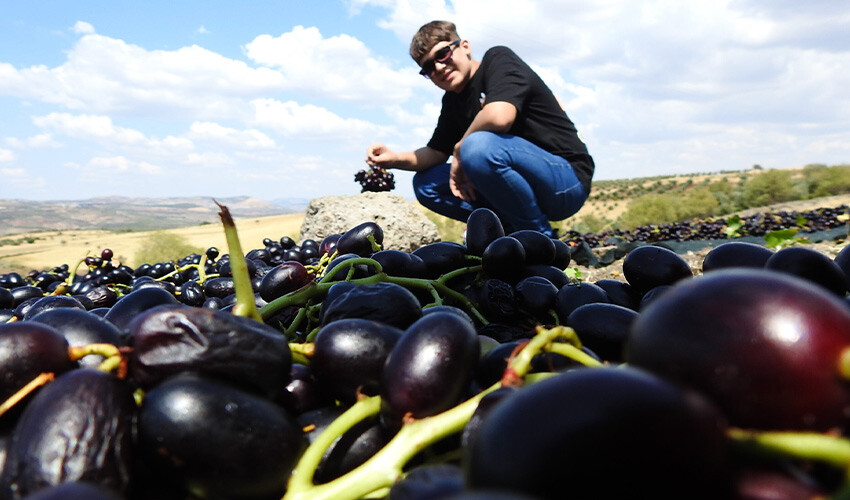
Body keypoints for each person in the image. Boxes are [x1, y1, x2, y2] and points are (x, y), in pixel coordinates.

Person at [365, 20, 594, 238]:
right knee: (427, 184)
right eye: (428, 68)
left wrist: (460, 149)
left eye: (442, 54)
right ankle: (508, 231)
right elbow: (435, 153)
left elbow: (499, 115)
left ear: (465, 46)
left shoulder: (498, 59)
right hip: (519, 188)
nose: (438, 67)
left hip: (565, 181)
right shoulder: (452, 101)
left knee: (476, 147)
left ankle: (540, 240)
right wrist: (392, 159)